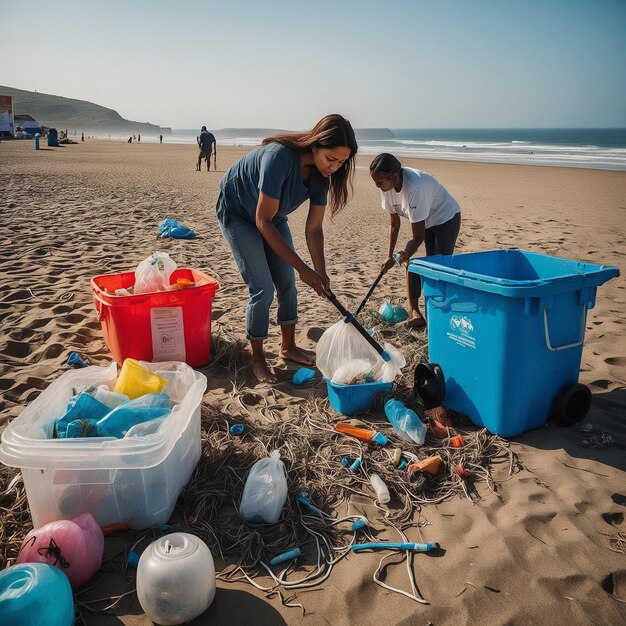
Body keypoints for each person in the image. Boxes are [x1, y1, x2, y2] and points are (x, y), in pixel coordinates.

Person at [216, 114, 357, 383]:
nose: (335, 167)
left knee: (287, 282)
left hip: (272, 215)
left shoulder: (321, 178)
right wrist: (304, 269)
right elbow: (261, 221)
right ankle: (257, 359)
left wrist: (319, 271)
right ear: (315, 145)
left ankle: (288, 347)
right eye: (331, 159)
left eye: (341, 162)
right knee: (262, 287)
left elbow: (314, 229)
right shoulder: (279, 158)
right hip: (239, 213)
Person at [370, 153, 461, 329]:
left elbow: (417, 237)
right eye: (376, 183)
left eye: (380, 183)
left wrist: (404, 255)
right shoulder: (387, 189)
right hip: (426, 221)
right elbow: (394, 224)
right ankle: (415, 314)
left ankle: (442, 314)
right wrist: (389, 256)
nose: (378, 187)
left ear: (395, 177)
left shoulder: (415, 187)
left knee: (438, 266)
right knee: (416, 265)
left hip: (446, 218)